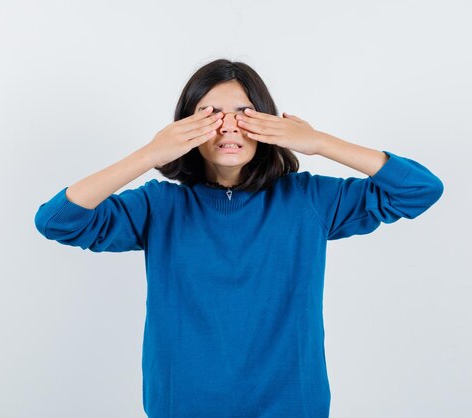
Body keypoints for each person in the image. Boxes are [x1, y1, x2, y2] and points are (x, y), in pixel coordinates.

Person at [34, 58, 444, 418]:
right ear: (186, 128)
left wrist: (320, 143)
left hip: (292, 405)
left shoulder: (310, 200)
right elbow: (57, 220)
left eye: (245, 114)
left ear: (268, 123)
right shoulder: (159, 206)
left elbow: (420, 189)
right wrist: (150, 154)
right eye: (209, 115)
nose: (229, 127)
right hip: (183, 406)